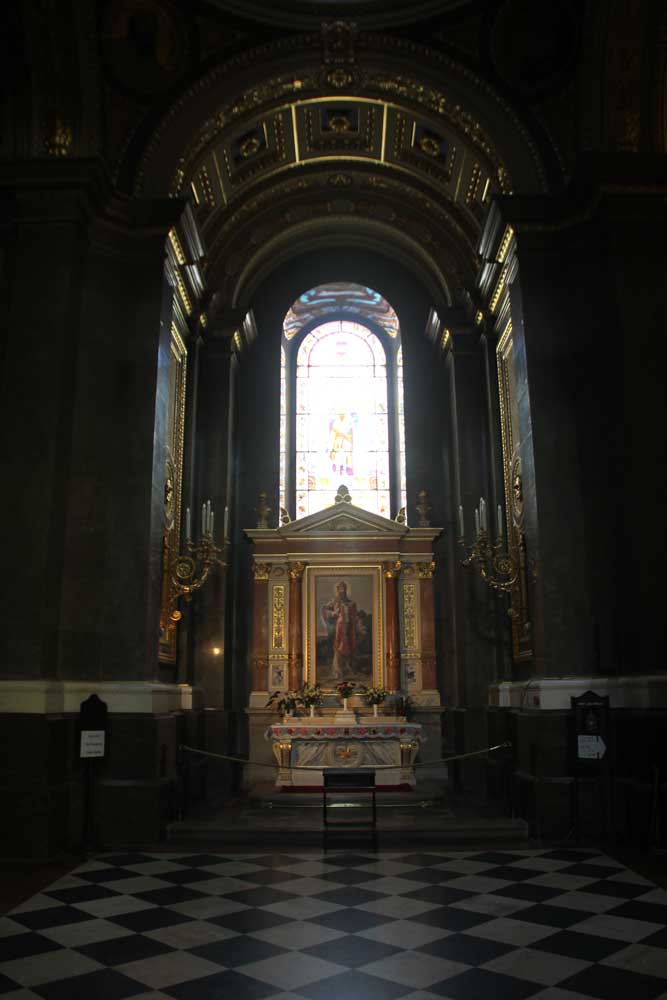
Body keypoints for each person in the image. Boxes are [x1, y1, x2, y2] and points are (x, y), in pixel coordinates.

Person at [321, 580, 362, 679]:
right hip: (340, 628)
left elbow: (355, 616)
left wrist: (359, 625)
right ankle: (338, 671)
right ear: (338, 590)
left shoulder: (351, 603)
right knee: (339, 647)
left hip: (350, 628)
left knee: (350, 647)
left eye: (344, 589)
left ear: (346, 590)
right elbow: (324, 610)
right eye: (340, 589)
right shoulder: (334, 602)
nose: (342, 591)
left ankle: (349, 669)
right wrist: (333, 613)